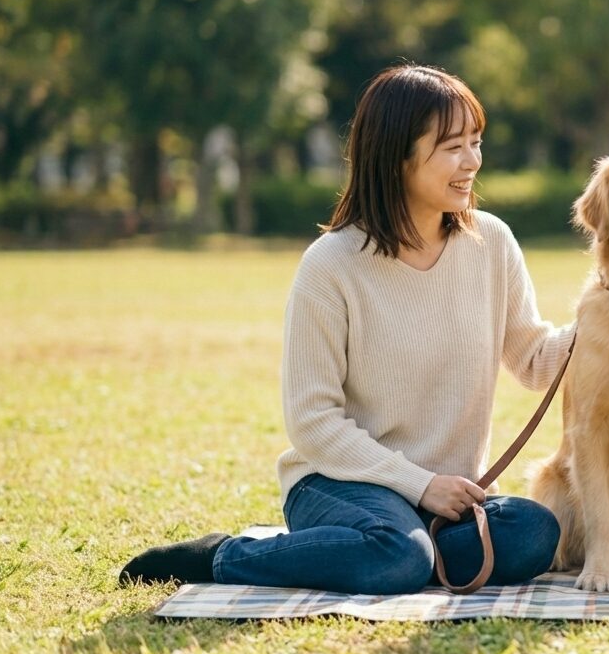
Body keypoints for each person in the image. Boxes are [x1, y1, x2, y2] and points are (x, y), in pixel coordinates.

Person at [120, 65, 572, 594]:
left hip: (444, 496)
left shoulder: (492, 243)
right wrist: (419, 485)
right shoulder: (331, 265)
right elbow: (312, 422)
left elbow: (537, 360)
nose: (473, 161)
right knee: (398, 556)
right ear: (397, 155)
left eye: (476, 142)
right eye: (452, 147)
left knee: (535, 530)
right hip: (338, 482)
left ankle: (400, 550)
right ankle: (224, 556)